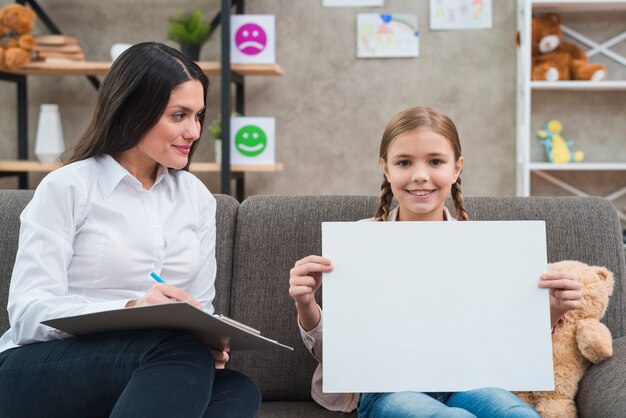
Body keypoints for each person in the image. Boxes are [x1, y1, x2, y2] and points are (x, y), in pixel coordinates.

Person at [0, 42, 261, 417]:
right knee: (176, 352)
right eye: (179, 115)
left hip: (158, 366)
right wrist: (131, 308)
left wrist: (209, 340)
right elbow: (26, 314)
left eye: (198, 115)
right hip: (40, 367)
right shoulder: (69, 187)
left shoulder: (198, 200)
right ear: (133, 111)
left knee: (237, 388)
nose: (193, 131)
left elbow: (201, 307)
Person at [288, 106, 582, 418]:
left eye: (436, 161)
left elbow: (504, 340)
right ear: (385, 169)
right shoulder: (358, 244)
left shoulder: (487, 249)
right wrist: (306, 304)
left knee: (517, 414)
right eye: (404, 162)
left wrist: (552, 309)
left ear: (457, 168)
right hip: (388, 389)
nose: (419, 175)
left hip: (471, 383)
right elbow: (340, 358)